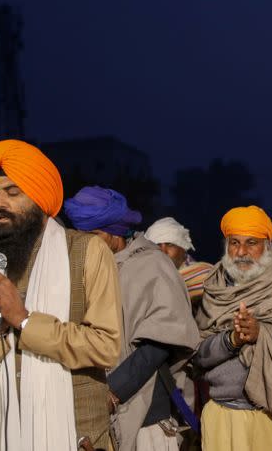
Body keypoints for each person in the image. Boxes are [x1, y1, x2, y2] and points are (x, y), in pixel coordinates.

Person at [0, 139, 122, 450]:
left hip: (78, 437)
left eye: (14, 193)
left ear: (40, 197)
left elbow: (106, 346)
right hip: (3, 438)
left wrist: (25, 321)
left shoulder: (87, 252)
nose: (0, 204)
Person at [65, 187, 200, 451]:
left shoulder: (152, 265)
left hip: (146, 410)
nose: (84, 244)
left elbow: (161, 342)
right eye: (79, 237)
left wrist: (114, 390)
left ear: (116, 234)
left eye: (92, 236)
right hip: (90, 411)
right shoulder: (80, 268)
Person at [194, 206, 272, 450]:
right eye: (234, 243)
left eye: (251, 242)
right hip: (224, 416)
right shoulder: (215, 285)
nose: (241, 252)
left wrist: (261, 333)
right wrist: (232, 339)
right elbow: (199, 355)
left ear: (267, 244)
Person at [144, 217, 214, 303]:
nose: (163, 252)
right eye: (157, 246)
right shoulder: (142, 278)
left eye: (170, 244)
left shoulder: (207, 278)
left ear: (183, 248)